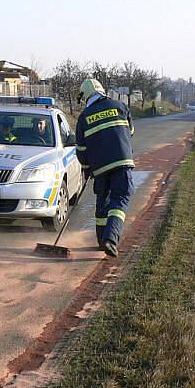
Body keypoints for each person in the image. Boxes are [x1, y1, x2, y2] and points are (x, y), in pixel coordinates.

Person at [75, 78, 135, 257]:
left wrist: (87, 169)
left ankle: (102, 239)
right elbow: (130, 131)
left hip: (99, 169)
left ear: (85, 97)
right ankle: (110, 239)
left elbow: (81, 150)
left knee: (103, 202)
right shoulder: (119, 106)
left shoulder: (84, 117)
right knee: (120, 198)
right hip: (121, 163)